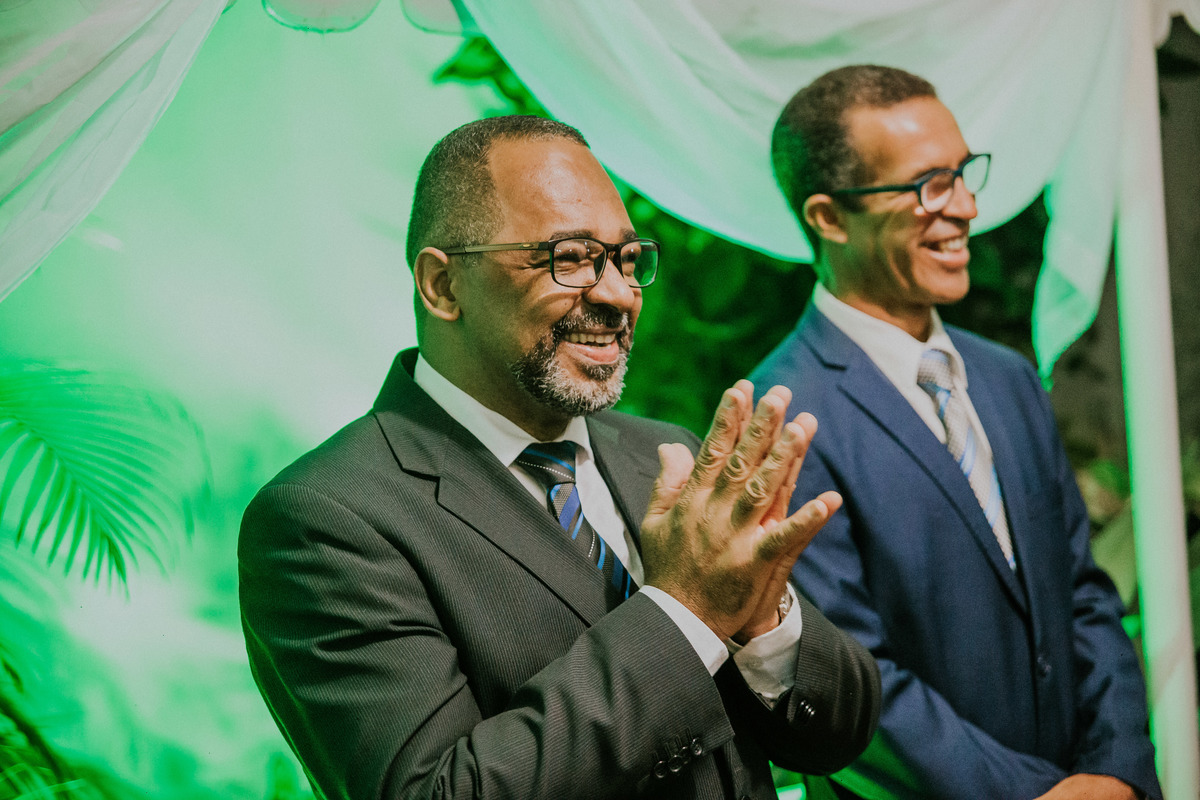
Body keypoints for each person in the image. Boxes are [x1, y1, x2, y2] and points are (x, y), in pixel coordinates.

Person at [239, 114, 880, 800]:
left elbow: (838, 731)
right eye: (568, 258)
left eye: (628, 259)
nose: (614, 293)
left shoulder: (664, 453)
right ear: (443, 286)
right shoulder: (325, 520)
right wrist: (688, 610)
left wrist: (763, 626)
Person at [751, 65, 1161, 800]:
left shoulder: (1005, 376)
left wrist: (1116, 769)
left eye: (965, 173)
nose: (967, 206)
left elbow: (1084, 593)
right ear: (829, 217)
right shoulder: (780, 415)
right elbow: (841, 677)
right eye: (928, 186)